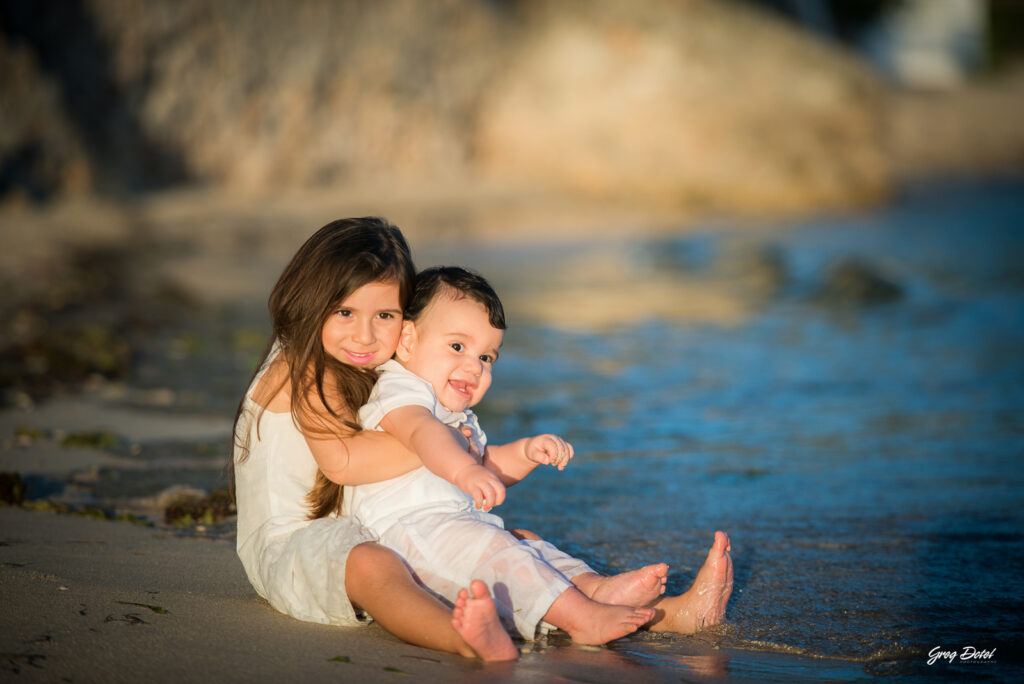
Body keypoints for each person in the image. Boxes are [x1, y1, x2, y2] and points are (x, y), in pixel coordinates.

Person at [233, 218, 733, 661]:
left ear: (404, 324)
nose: (364, 335)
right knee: (376, 564)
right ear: (310, 299)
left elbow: (449, 454)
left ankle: (667, 614)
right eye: (345, 312)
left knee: (518, 546)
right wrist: (454, 449)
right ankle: (463, 638)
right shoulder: (302, 366)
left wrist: (499, 455)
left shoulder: (378, 373)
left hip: (371, 526)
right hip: (290, 550)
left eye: (383, 315)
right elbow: (343, 462)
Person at [345, 266, 725, 644]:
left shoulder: (455, 414)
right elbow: (422, 433)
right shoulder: (401, 387)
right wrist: (464, 470)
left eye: (487, 357)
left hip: (449, 531)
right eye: (458, 347)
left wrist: (525, 452)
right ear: (408, 341)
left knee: (527, 543)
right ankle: (584, 618)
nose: (473, 366)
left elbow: (487, 467)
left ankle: (637, 602)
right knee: (502, 552)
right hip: (411, 538)